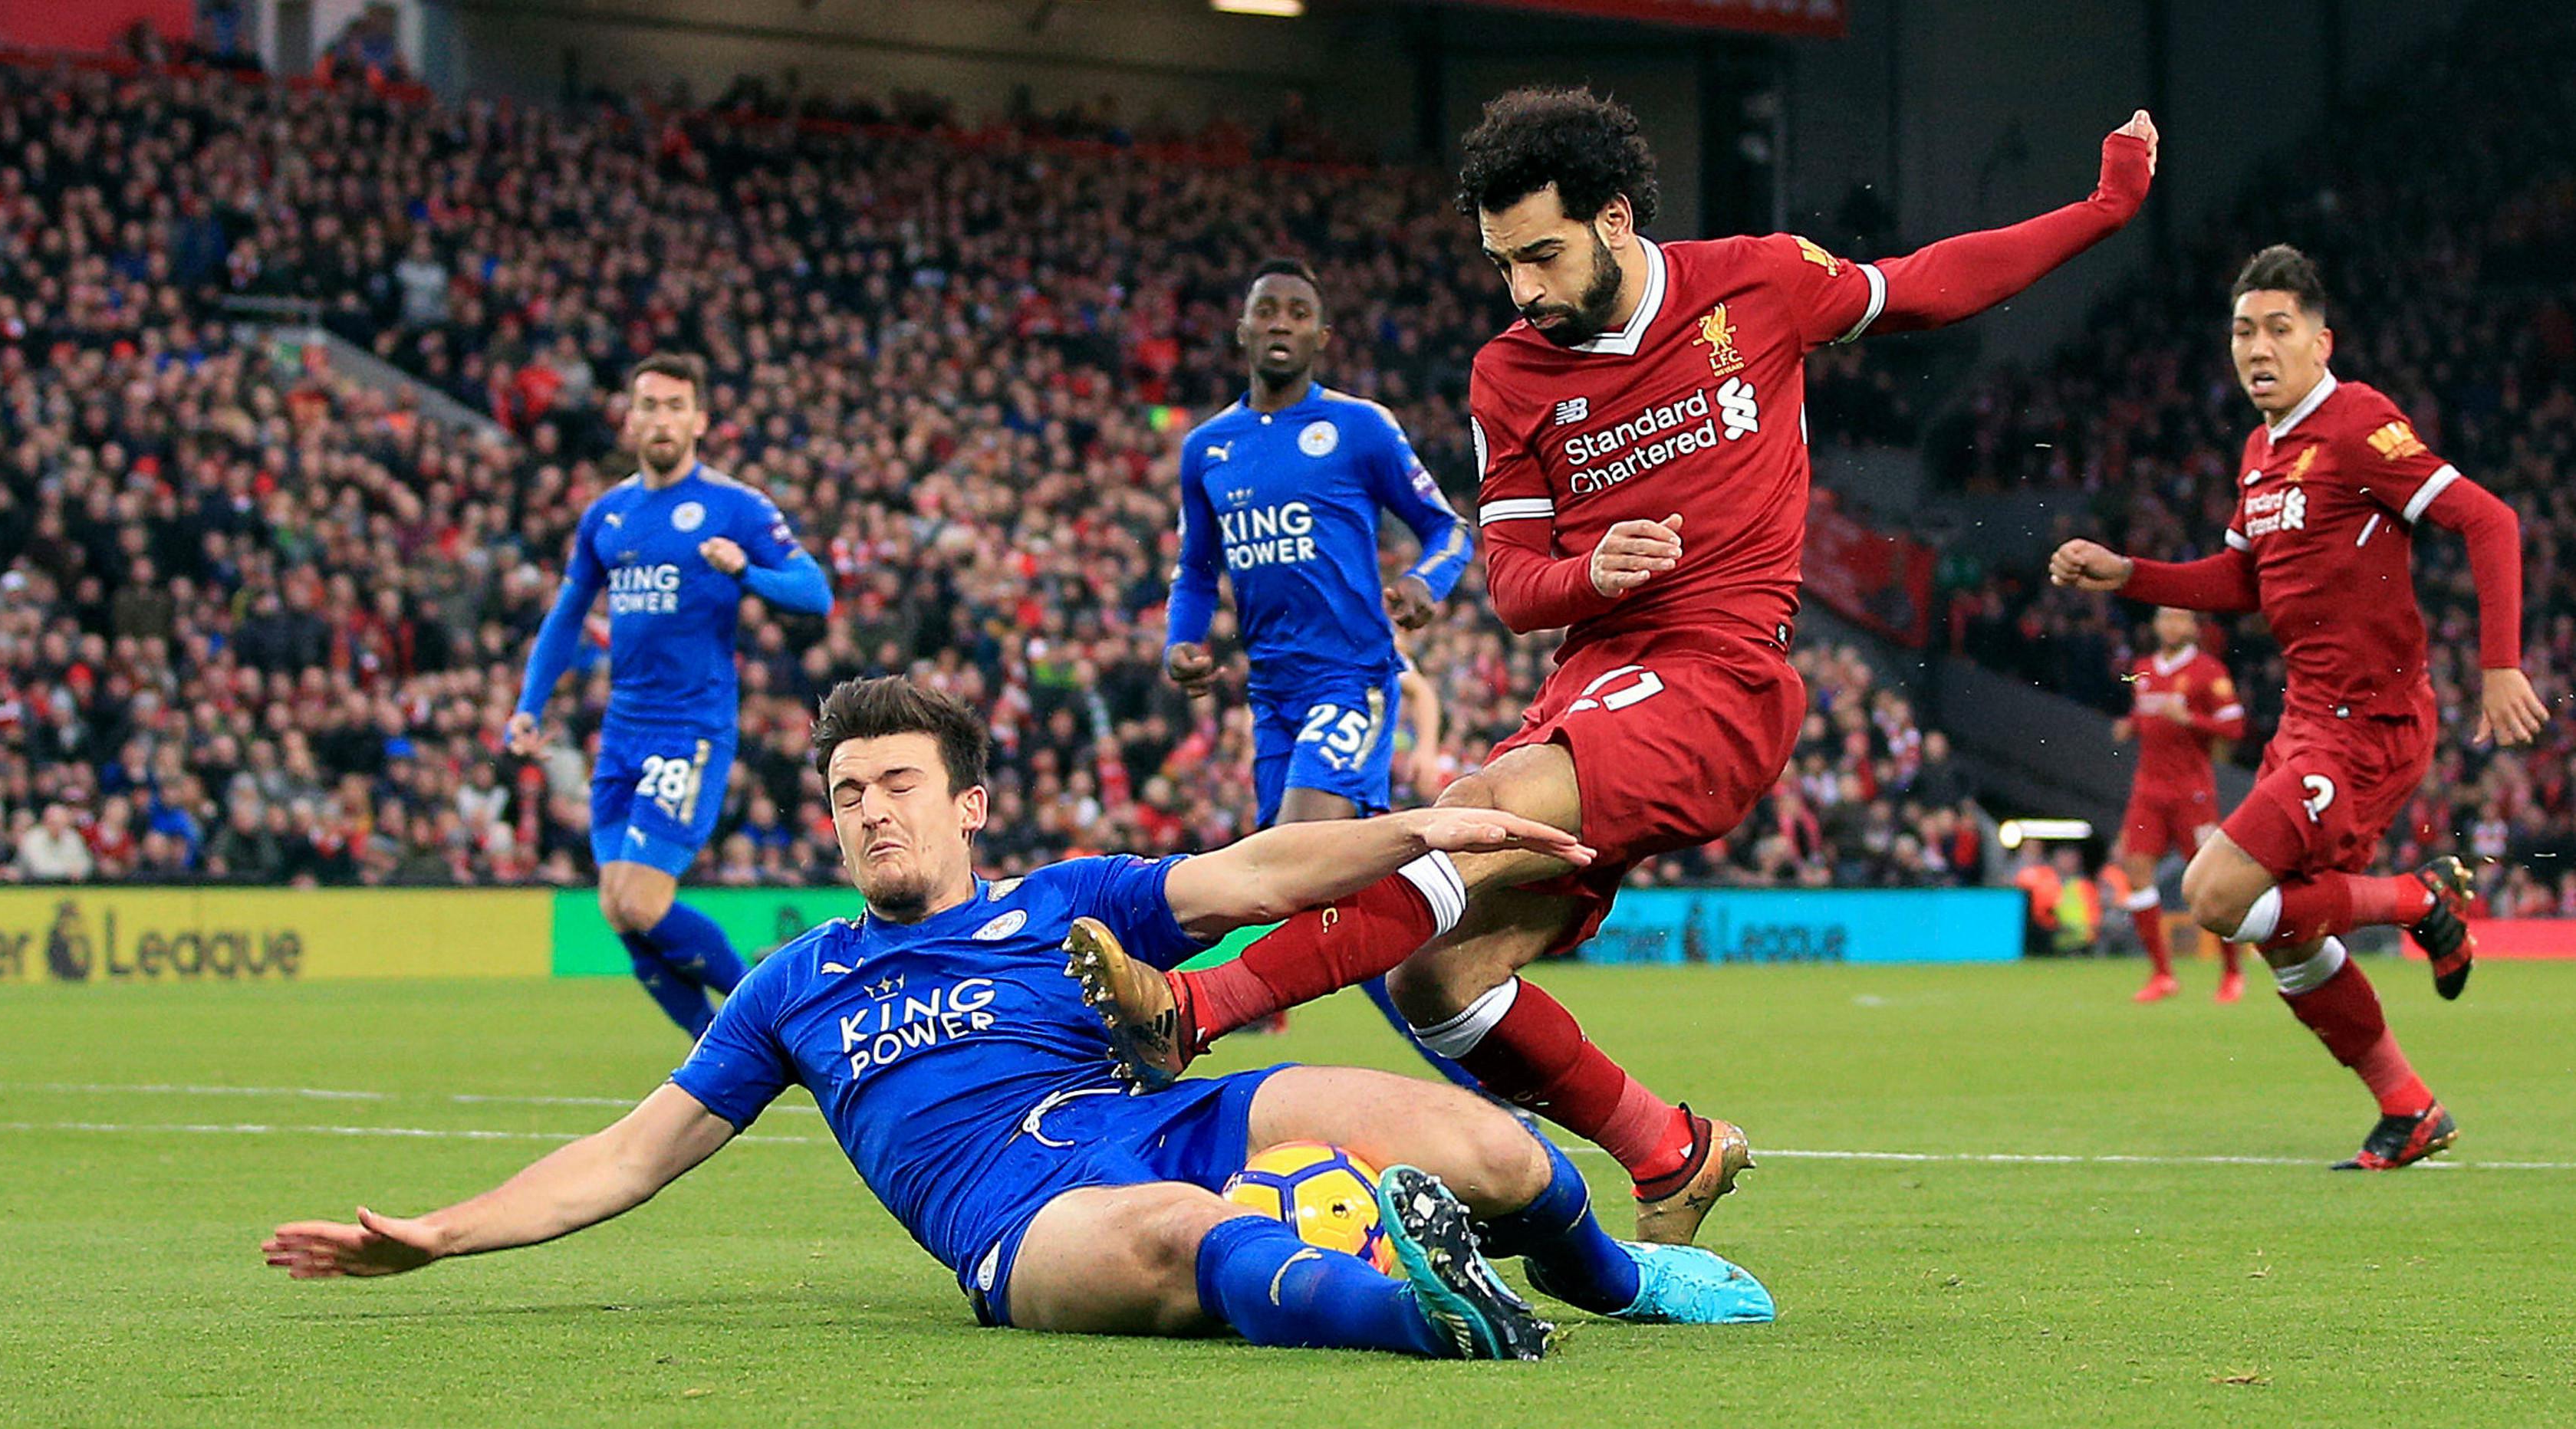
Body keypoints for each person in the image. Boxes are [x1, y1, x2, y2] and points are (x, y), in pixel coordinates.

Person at [1078, 87, 2160, 1245]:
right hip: (1595, 680)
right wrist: (1592, 577)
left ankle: (1196, 1008)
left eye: (1541, 255)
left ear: (1613, 215)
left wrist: (2103, 209)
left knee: (1472, 815)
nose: (1524, 290)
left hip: (1724, 678)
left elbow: (1932, 282)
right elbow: (1509, 582)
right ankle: (1669, 1151)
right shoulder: (1510, 374)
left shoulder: (1756, 282)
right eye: (1503, 265)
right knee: (1436, 984)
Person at [263, 678, 1776, 1358]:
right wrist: (439, 1232)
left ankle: (1610, 1274)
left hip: (1165, 1111)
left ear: (967, 800)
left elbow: (1251, 868)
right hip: (1013, 1213)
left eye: (897, 781)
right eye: (847, 790)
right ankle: (1427, 1315)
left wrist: (1418, 829)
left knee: (1479, 1141)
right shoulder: (796, 982)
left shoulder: (1068, 899)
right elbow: (629, 1152)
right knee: (1178, 1238)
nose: (868, 810)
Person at [2048, 243, 2547, 1169]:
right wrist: (2129, 574)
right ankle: (2409, 1106)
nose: (2257, 347)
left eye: (2279, 328)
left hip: (2368, 725)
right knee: (2278, 934)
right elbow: (2241, 578)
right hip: (2307, 723)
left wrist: (2501, 666)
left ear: (2322, 341)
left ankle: (2417, 897)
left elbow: (2489, 519)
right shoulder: (2260, 450)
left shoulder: (2356, 422)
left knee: (2212, 893)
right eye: (2243, 330)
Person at [1166, 258, 1477, 1079]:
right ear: (1241, 330)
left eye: (1296, 312)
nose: (1279, 322)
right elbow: (1197, 570)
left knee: (1292, 850)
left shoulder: (1360, 428)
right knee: (1322, 894)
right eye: (1264, 308)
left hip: (1353, 679)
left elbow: (1449, 529)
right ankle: (1480, 1064)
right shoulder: (1207, 449)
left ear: (1319, 335)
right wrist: (1183, 642)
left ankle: (1190, 1012)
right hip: (1271, 698)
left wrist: (1424, 582)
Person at [508, 353, 835, 1036]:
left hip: (691, 727)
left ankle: (774, 1020)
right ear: (630, 421)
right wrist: (529, 705)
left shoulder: (735, 507)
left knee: (643, 898)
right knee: (616, 906)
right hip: (622, 731)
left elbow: (815, 592)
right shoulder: (608, 516)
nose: (662, 419)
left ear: (700, 420)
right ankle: (712, 1047)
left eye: (676, 406)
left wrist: (747, 571)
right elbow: (568, 614)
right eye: (649, 405)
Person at [2114, 606, 2248, 1003]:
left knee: (2212, 883)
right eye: (2165, 618)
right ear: (2155, 625)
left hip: (2193, 793)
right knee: (2136, 870)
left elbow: (2235, 728)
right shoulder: (2140, 669)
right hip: (2148, 791)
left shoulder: (2210, 672)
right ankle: (2162, 973)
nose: (2172, 626)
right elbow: (2145, 715)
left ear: (2193, 627)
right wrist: (2131, 725)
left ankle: (2232, 972)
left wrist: (2191, 719)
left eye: (2180, 619)